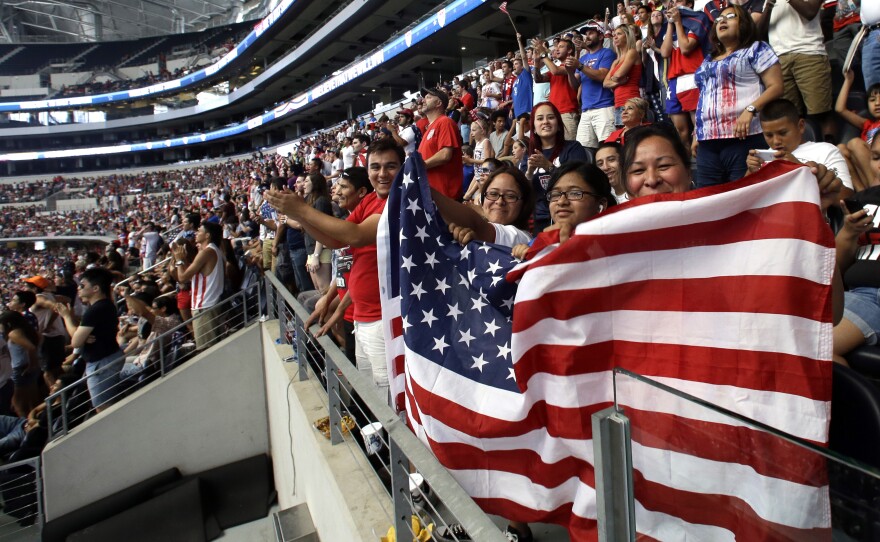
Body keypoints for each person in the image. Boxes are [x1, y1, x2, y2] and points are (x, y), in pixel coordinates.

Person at [265, 139, 405, 404]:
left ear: (403, 168)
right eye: (375, 166)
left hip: (383, 319)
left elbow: (355, 234)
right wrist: (302, 216)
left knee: (389, 400)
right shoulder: (372, 200)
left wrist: (302, 210)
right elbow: (336, 240)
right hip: (363, 317)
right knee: (370, 395)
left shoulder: (397, 201)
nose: (382, 173)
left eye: (390, 166)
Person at [693, 4, 783, 187]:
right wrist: (696, 133)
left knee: (742, 198)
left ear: (744, 23)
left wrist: (751, 110)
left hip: (744, 138)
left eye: (730, 16)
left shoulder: (756, 49)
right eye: (718, 19)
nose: (721, 21)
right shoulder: (708, 59)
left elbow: (776, 86)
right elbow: (704, 97)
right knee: (708, 202)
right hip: (708, 143)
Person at [832, 136, 880, 365]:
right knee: (802, 344)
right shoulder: (863, 202)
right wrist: (848, 233)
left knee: (813, 349)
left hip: (869, 297)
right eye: (876, 157)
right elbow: (837, 272)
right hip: (857, 295)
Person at [745, 98, 854, 196]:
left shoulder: (826, 150)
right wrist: (750, 173)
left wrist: (798, 168)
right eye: (769, 135)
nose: (776, 141)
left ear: (801, 126)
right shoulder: (761, 159)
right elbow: (742, 200)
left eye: (783, 133)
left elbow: (847, 196)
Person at [765, 0, 835, 143]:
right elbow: (759, 34)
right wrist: (769, 6)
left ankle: (830, 154)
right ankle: (799, 156)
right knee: (791, 116)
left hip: (809, 52)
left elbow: (810, 12)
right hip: (779, 58)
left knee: (821, 112)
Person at [56, 267, 123, 412]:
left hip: (101, 362)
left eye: (82, 285)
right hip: (108, 357)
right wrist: (83, 336)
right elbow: (80, 336)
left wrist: (67, 316)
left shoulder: (95, 310)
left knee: (103, 407)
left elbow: (75, 342)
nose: (78, 289)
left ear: (96, 288)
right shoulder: (105, 305)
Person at [525, 101, 590, 233]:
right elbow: (523, 194)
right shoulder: (528, 156)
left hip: (569, 216)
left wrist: (549, 167)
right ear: (534, 128)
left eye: (550, 117)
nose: (545, 122)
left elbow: (579, 180)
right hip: (540, 220)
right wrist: (529, 174)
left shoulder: (573, 148)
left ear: (559, 125)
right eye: (540, 118)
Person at [171, 222, 225, 351]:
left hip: (204, 308)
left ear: (207, 235)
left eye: (199, 230)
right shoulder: (213, 250)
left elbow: (182, 278)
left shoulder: (207, 252)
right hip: (207, 306)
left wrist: (179, 260)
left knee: (206, 351)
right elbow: (189, 275)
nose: (196, 233)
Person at [574, 20, 616, 152]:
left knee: (608, 148)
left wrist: (580, 66)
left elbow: (602, 76)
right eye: (586, 34)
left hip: (604, 107)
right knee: (584, 151)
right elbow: (575, 84)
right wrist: (571, 70)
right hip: (586, 110)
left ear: (601, 36)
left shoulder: (607, 53)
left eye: (591, 33)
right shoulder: (582, 59)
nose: (587, 36)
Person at [836, 71, 880, 191]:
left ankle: (875, 191)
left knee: (855, 143)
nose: (877, 103)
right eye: (872, 100)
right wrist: (848, 80)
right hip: (867, 168)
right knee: (840, 148)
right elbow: (840, 109)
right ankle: (861, 193)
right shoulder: (867, 124)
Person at [417, 87, 464, 199]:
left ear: (438, 103)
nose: (423, 100)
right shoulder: (430, 128)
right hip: (433, 196)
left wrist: (420, 165)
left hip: (445, 197)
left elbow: (445, 155)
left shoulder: (445, 122)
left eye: (428, 97)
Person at [530, 37, 581, 140]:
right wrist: (536, 62)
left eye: (561, 47)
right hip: (554, 113)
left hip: (567, 112)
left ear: (570, 50)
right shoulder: (557, 65)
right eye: (556, 47)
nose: (557, 49)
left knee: (570, 145)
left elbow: (555, 71)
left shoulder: (572, 63)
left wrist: (543, 54)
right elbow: (538, 79)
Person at [0, 312, 41, 419]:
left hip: (20, 369)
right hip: (25, 367)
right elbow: (39, 338)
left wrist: (32, 364)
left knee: (18, 405)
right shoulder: (25, 330)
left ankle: (25, 427)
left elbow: (31, 348)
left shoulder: (13, 334)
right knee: (32, 401)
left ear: (7, 323)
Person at [603, 24, 643, 128]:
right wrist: (619, 82)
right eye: (614, 35)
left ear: (627, 36)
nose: (615, 37)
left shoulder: (632, 52)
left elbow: (618, 74)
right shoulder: (615, 61)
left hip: (631, 102)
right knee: (622, 138)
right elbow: (605, 83)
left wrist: (614, 80)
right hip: (618, 104)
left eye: (619, 34)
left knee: (633, 137)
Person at [302, 174, 333, 292]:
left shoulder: (321, 202)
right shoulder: (310, 201)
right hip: (312, 251)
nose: (303, 184)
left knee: (324, 290)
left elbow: (321, 230)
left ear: (315, 183)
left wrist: (315, 255)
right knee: (317, 289)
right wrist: (310, 256)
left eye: (306, 181)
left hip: (321, 252)